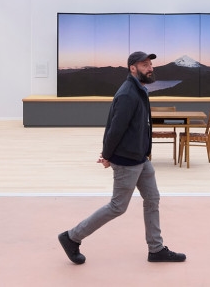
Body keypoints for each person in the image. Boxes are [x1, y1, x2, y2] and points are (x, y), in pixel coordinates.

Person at [58, 51, 186, 265]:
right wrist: (107, 155)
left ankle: (156, 249)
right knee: (118, 206)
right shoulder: (128, 94)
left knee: (152, 199)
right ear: (132, 68)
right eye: (144, 64)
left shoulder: (140, 90)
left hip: (141, 159)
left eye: (150, 64)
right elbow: (114, 129)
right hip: (127, 160)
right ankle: (71, 237)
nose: (150, 68)